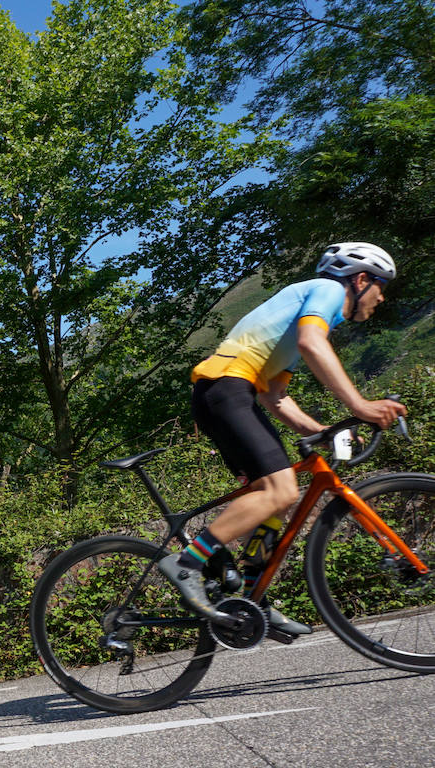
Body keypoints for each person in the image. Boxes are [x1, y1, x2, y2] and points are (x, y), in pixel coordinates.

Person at [158, 242, 406, 632]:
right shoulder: (326, 291)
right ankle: (187, 564)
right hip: (226, 391)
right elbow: (312, 344)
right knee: (282, 489)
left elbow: (275, 395)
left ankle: (252, 594)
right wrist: (359, 406)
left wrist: (320, 432)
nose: (382, 295)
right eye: (380, 285)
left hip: (228, 395)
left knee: (273, 498)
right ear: (360, 280)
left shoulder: (306, 313)